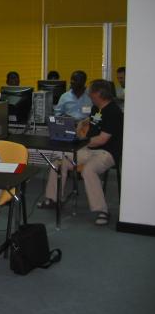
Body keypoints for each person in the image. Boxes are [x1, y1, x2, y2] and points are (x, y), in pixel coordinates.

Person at [39, 80, 123, 226]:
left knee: (88, 170)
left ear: (99, 94)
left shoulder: (113, 112)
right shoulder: (96, 108)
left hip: (107, 152)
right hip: (89, 149)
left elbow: (102, 139)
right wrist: (80, 127)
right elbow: (92, 125)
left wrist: (80, 141)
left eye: (91, 92)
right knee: (58, 162)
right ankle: (53, 199)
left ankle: (102, 210)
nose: (89, 94)